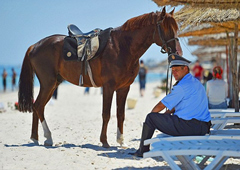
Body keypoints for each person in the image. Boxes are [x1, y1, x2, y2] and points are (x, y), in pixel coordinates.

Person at [130, 54, 211, 157]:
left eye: (176, 70)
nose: (174, 73)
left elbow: (161, 105)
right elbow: (180, 104)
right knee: (159, 117)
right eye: (172, 71)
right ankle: (143, 148)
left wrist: (151, 121)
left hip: (189, 127)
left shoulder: (182, 86)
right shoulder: (196, 82)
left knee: (150, 117)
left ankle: (143, 151)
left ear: (185, 68)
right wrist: (166, 114)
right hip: (203, 127)